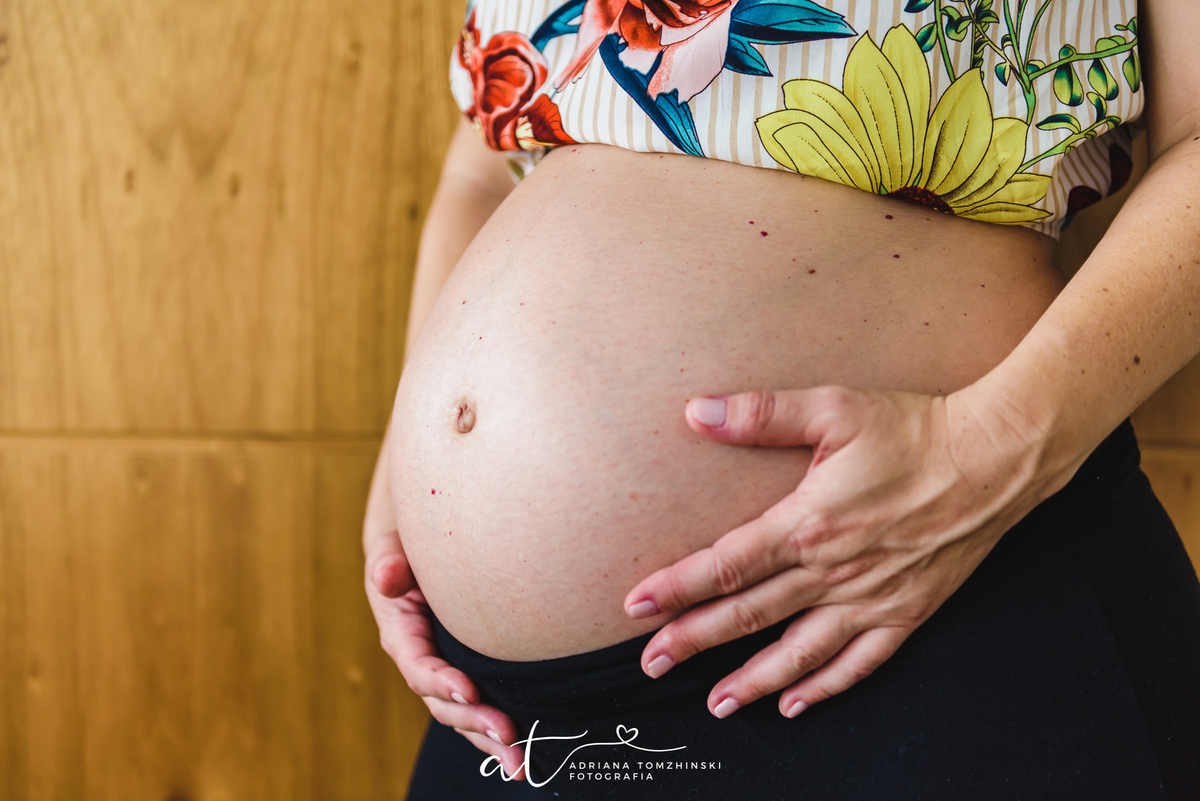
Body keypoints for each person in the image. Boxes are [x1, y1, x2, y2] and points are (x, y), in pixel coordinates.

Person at [365, 0, 1200, 797]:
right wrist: (403, 481)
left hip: (914, 601)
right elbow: (479, 166)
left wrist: (994, 446)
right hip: (516, 717)